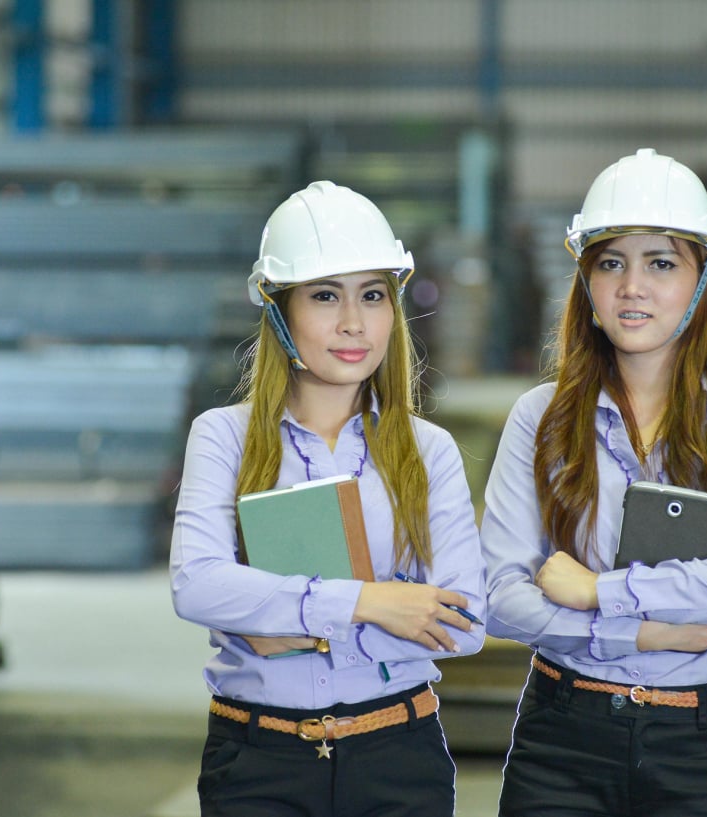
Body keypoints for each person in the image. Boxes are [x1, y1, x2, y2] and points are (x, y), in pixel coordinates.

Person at [480, 148, 707, 817]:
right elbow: (498, 597)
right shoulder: (539, 417)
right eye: (610, 262)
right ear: (585, 282)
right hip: (563, 741)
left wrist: (598, 590)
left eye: (660, 262)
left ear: (704, 277)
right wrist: (635, 631)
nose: (632, 285)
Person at [170, 180, 486, 817]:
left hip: (398, 756)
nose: (353, 322)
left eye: (372, 296)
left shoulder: (429, 451)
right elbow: (197, 586)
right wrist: (374, 602)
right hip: (259, 762)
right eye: (323, 296)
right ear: (277, 309)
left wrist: (283, 619)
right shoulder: (224, 438)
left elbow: (465, 622)